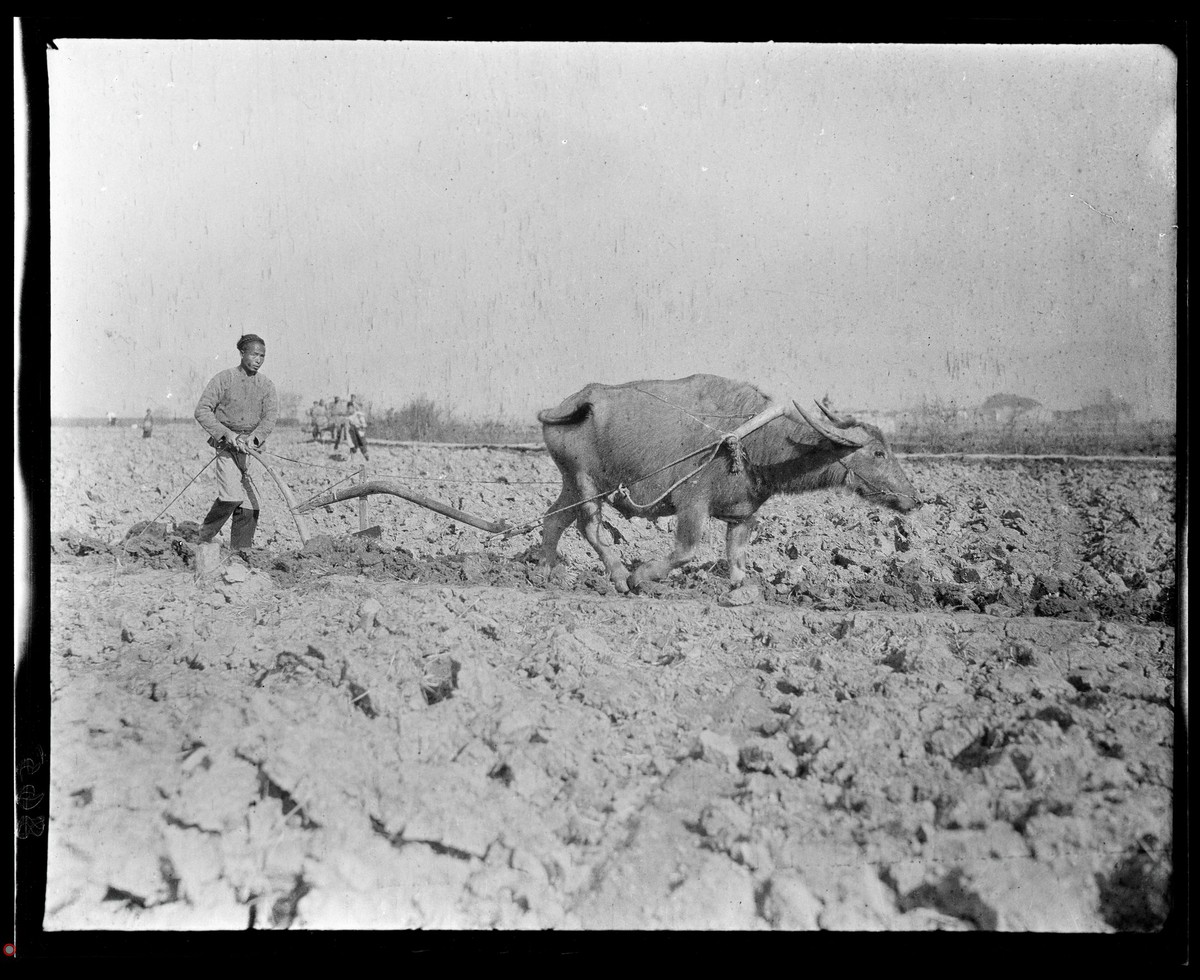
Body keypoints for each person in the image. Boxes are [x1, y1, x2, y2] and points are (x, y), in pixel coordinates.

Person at [193, 334, 278, 551]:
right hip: (227, 447)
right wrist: (225, 433)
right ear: (242, 354)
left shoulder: (266, 385)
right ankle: (204, 536)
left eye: (262, 356)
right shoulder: (224, 379)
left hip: (254, 448)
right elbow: (202, 410)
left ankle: (241, 552)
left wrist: (255, 437)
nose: (259, 360)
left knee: (251, 502)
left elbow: (270, 417)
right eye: (254, 354)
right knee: (231, 496)